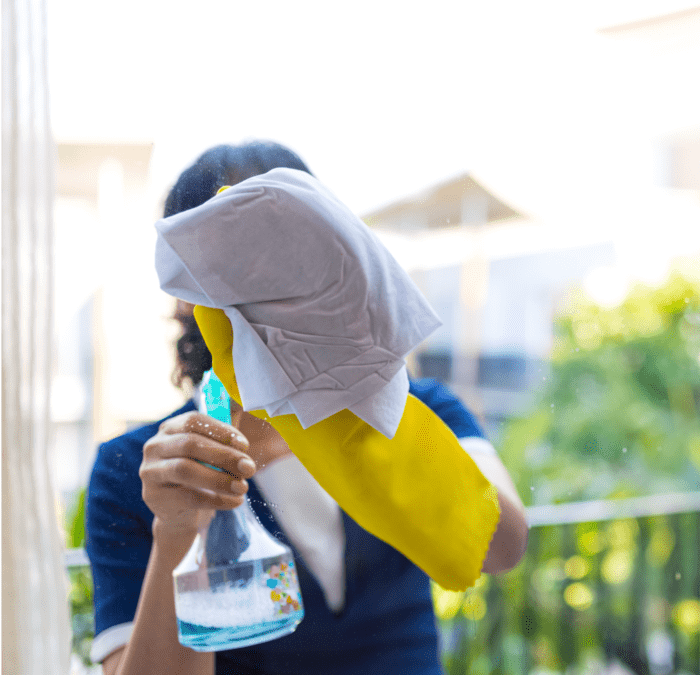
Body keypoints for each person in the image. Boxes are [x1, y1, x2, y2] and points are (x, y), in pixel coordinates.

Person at [84, 141, 529, 675]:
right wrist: (179, 529)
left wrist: (368, 411)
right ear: (185, 290)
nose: (270, 293)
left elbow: (503, 548)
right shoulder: (140, 471)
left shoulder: (418, 412)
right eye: (237, 266)